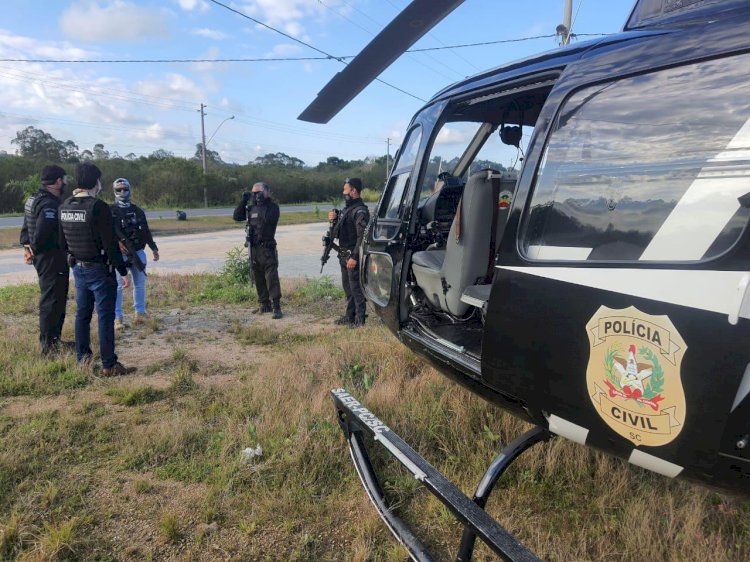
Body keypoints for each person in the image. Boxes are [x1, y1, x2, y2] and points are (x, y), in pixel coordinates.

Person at [59, 163, 136, 377]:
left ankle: (82, 359)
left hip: (78, 268)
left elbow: (61, 241)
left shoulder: (64, 206)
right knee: (105, 317)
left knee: (82, 315)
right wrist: (122, 270)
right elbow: (110, 244)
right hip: (100, 269)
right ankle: (109, 364)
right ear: (96, 182)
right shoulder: (98, 207)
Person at [19, 165, 71, 355]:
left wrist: (27, 246)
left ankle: (53, 340)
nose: (65, 182)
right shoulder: (50, 204)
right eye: (63, 179)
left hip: (42, 258)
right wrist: (34, 247)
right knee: (53, 301)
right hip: (51, 258)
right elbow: (42, 234)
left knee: (52, 298)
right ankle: (49, 346)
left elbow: (26, 227)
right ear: (57, 181)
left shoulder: (33, 199)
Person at [110, 178, 160, 329]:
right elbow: (106, 232)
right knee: (118, 285)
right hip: (120, 253)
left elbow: (145, 230)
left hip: (138, 251)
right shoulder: (110, 210)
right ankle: (117, 318)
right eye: (119, 189)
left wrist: (154, 248)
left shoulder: (137, 210)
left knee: (140, 284)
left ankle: (140, 312)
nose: (122, 192)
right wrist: (117, 243)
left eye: (125, 189)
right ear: (114, 191)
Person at [233, 182, 283, 319]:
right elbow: (237, 216)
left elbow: (268, 220)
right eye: (254, 193)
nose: (256, 195)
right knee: (258, 277)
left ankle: (276, 306)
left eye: (258, 192)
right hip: (254, 249)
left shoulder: (273, 207)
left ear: (266, 192)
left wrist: (261, 203)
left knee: (271, 278)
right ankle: (264, 304)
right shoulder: (251, 208)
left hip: (267, 248)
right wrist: (244, 200)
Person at [329, 178, 370, 328]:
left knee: (356, 289)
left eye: (346, 190)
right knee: (348, 288)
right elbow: (338, 234)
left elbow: (362, 237)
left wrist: (354, 257)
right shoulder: (346, 210)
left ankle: (360, 319)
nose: (343, 192)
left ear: (353, 191)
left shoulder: (360, 211)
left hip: (353, 256)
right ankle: (349, 317)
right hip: (344, 255)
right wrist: (333, 221)